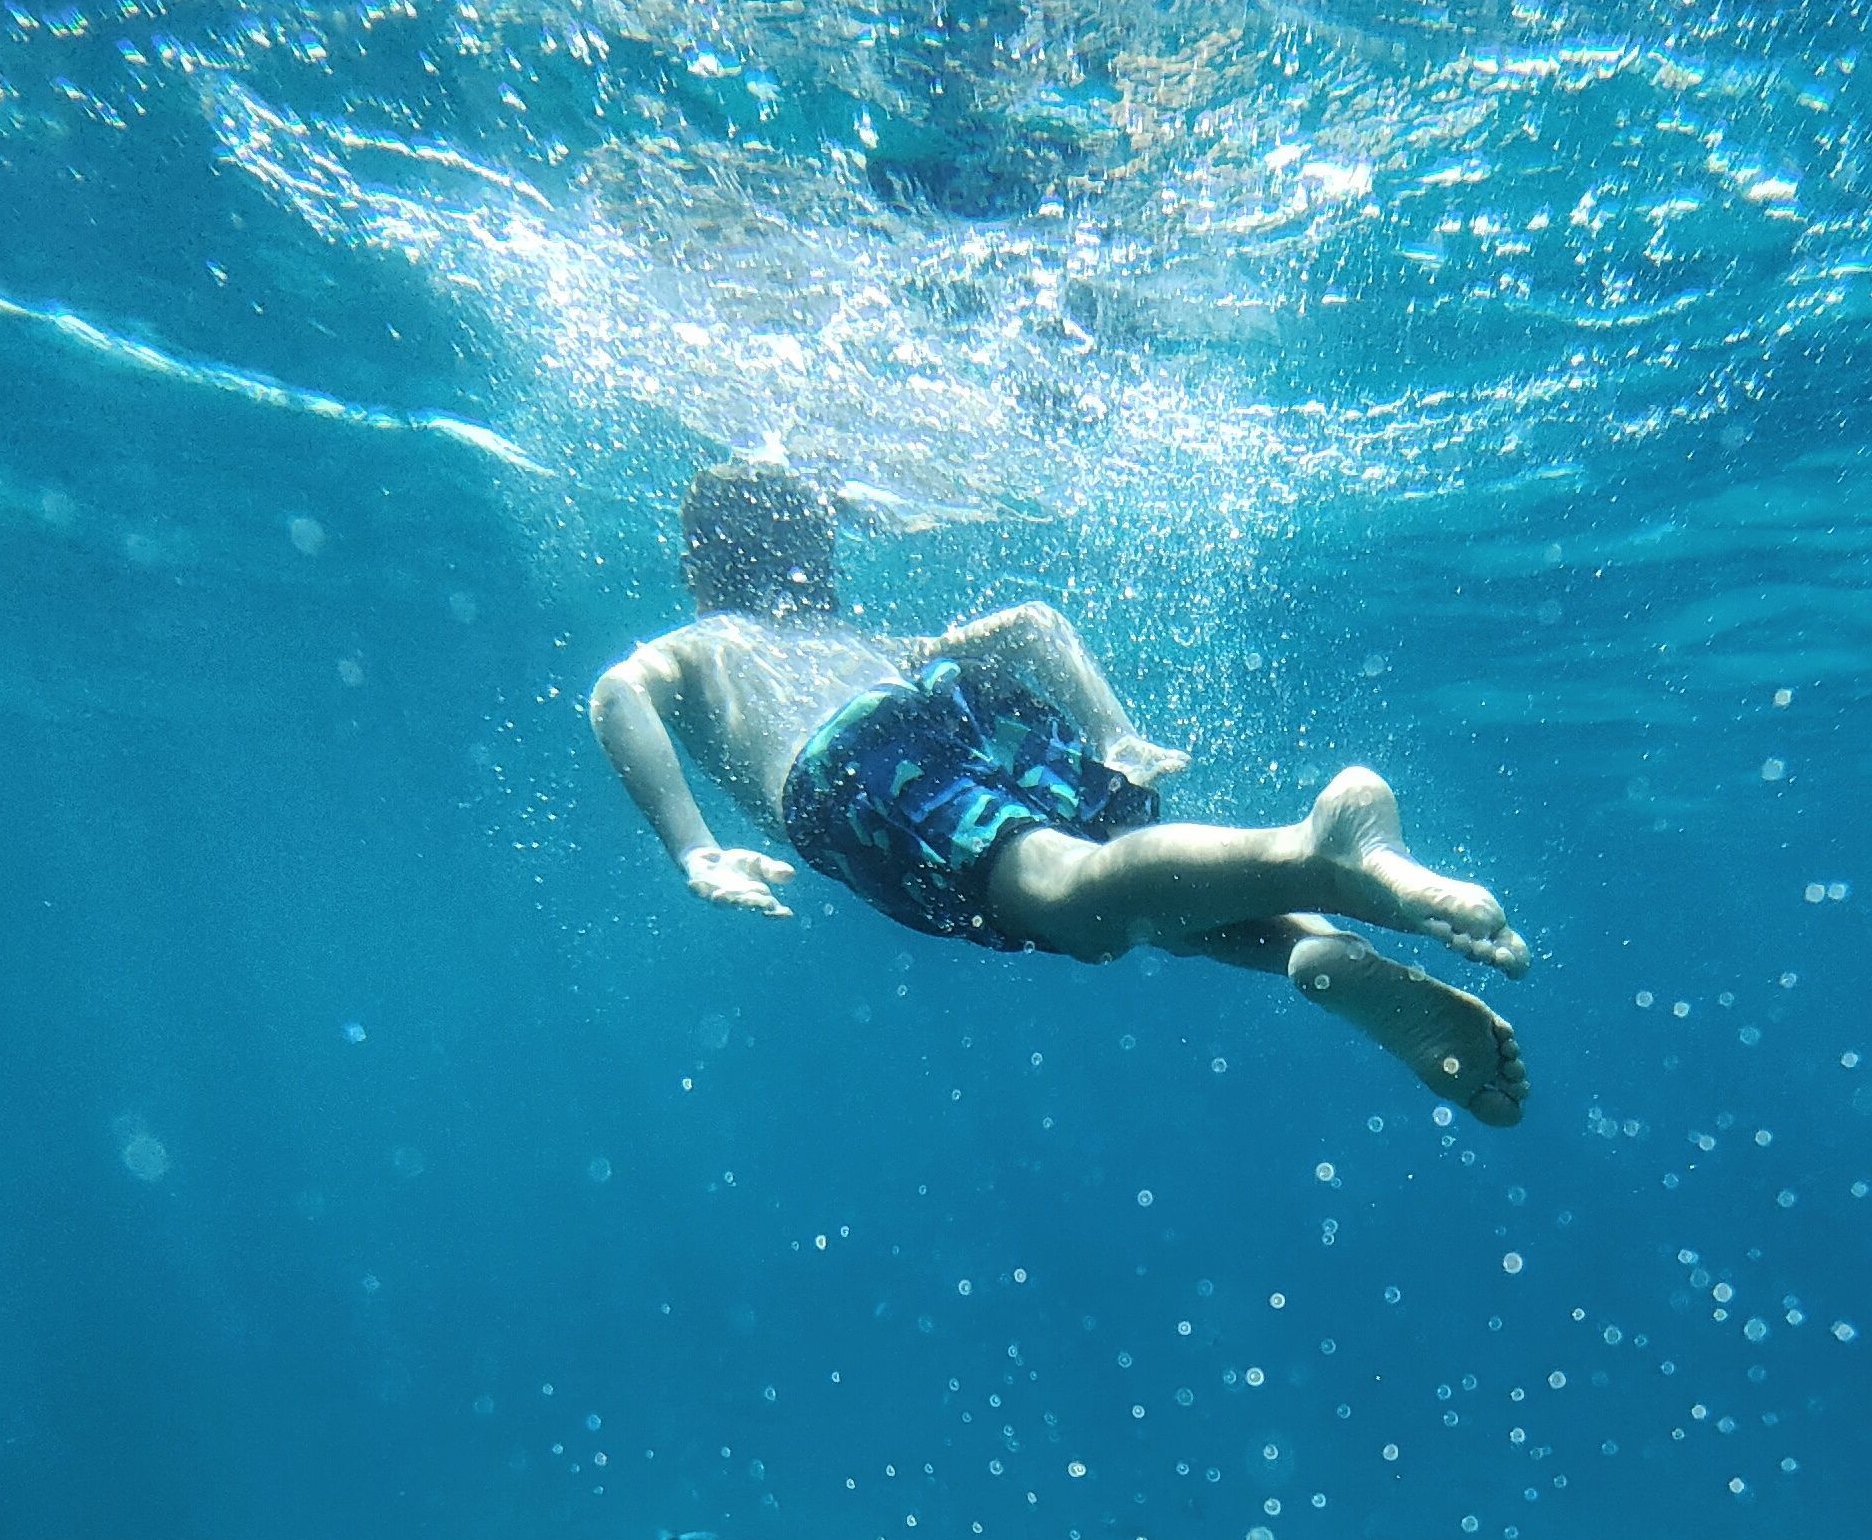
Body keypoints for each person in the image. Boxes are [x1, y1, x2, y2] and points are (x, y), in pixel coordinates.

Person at [586, 460, 1530, 1125]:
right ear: (821, 560)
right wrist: (1113, 732)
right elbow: (1032, 623)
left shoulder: (704, 642)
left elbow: (616, 692)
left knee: (1076, 904)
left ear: (695, 564)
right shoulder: (866, 642)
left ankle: (1318, 854)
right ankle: (1321, 946)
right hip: (948, 703)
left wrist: (691, 845)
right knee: (1137, 902)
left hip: (847, 772)